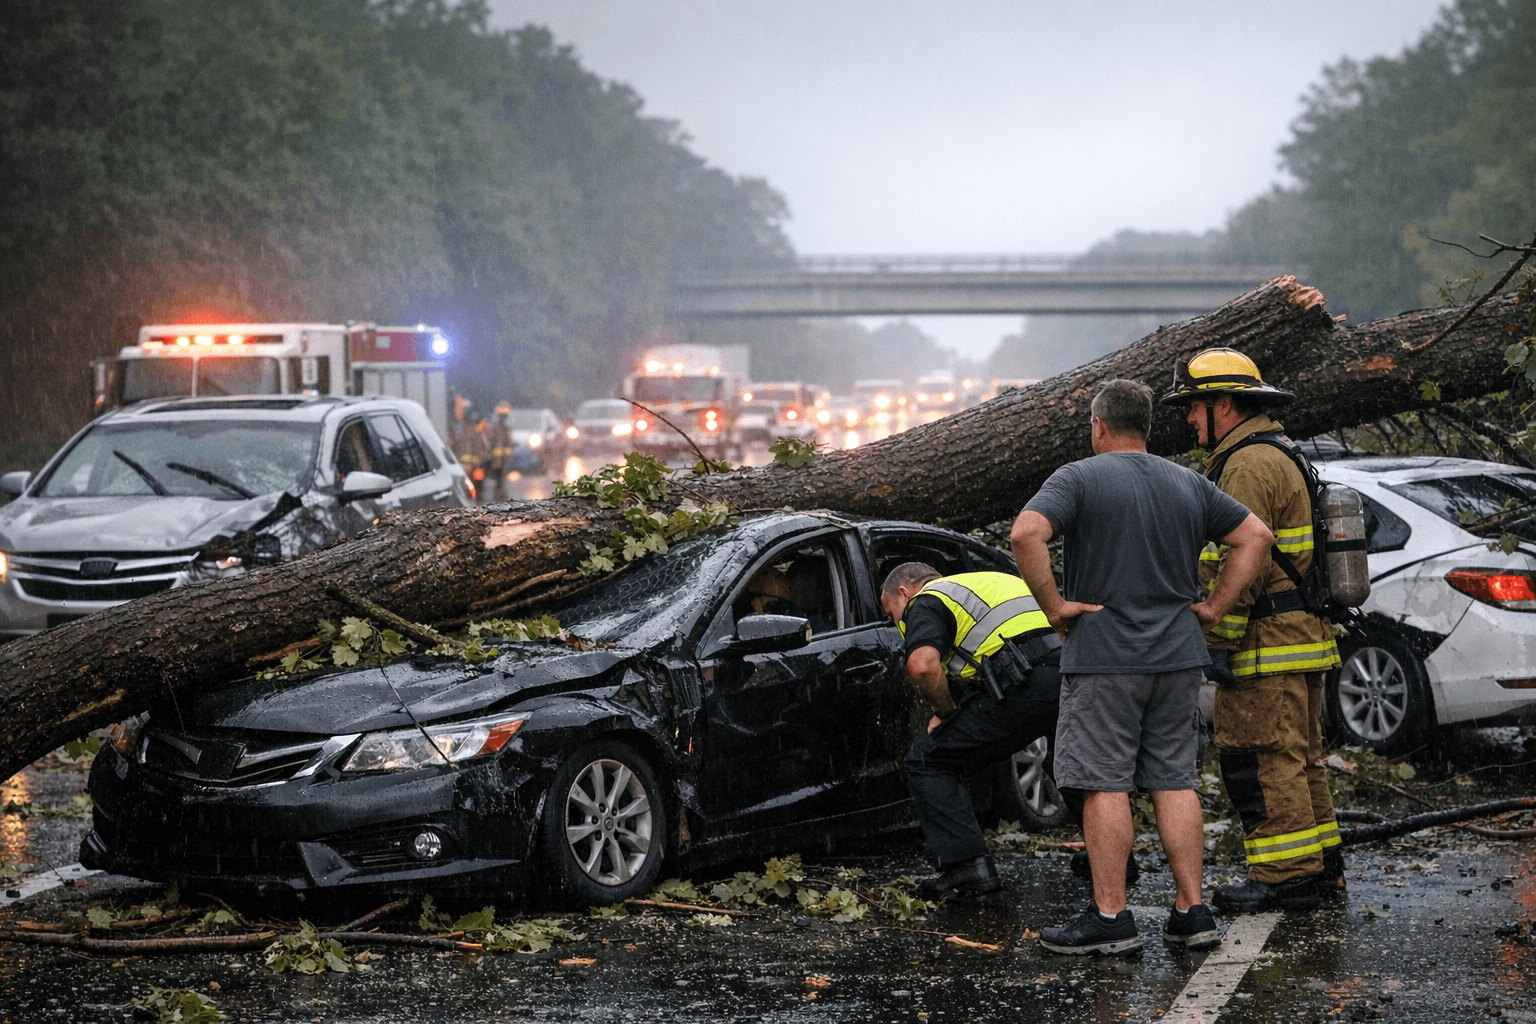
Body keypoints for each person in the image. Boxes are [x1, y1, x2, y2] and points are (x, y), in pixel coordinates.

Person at [1010, 378, 1273, 956]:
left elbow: (1026, 531)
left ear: (1100, 426)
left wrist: (1053, 607)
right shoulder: (1188, 482)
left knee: (1105, 782)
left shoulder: (1078, 477)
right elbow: (1256, 535)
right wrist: (1215, 607)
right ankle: (1191, 912)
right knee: (1173, 781)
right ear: (1148, 427)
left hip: (1105, 657)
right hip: (1178, 656)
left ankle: (1111, 917)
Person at [1161, 348, 1344, 913]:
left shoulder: (1245, 465)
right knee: (1300, 759)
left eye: (1194, 406)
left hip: (1266, 646)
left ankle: (1284, 876)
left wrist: (1216, 631)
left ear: (1224, 403)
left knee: (1262, 760)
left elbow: (1241, 559)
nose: (1189, 418)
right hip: (1299, 639)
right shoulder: (1278, 452)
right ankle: (1318, 868)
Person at [880, 562, 1063, 899]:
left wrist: (946, 712)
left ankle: (967, 869)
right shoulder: (993, 581)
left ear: (905, 592)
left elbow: (921, 667)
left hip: (1023, 684)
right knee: (1070, 768)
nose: (899, 624)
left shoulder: (928, 599)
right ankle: (1113, 865)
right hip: (1070, 676)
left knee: (927, 760)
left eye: (893, 615)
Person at [484, 402, 514, 503]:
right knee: (499, 481)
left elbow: (509, 444)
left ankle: (501, 498)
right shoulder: (497, 429)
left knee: (500, 481)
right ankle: (500, 498)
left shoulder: (505, 429)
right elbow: (492, 443)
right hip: (497, 461)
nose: (503, 419)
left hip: (502, 461)